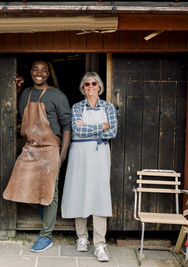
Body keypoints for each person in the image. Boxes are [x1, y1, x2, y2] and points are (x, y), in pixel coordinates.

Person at [3, 60, 71, 252]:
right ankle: (44, 210)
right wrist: (16, 88)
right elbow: (18, 111)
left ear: (48, 74)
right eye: (35, 70)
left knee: (50, 193)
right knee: (19, 185)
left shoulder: (57, 96)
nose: (39, 73)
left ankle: (46, 236)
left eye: (43, 70)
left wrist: (62, 154)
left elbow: (67, 126)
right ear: (31, 72)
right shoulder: (26, 93)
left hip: (50, 149)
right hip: (30, 148)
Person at [61, 72, 118, 262]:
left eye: (94, 83)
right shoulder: (77, 107)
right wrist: (100, 126)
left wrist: (89, 126)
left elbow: (113, 131)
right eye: (87, 84)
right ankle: (82, 237)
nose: (91, 86)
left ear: (100, 86)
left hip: (100, 153)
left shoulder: (108, 106)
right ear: (82, 88)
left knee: (100, 194)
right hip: (79, 154)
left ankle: (100, 243)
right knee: (80, 192)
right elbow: (77, 129)